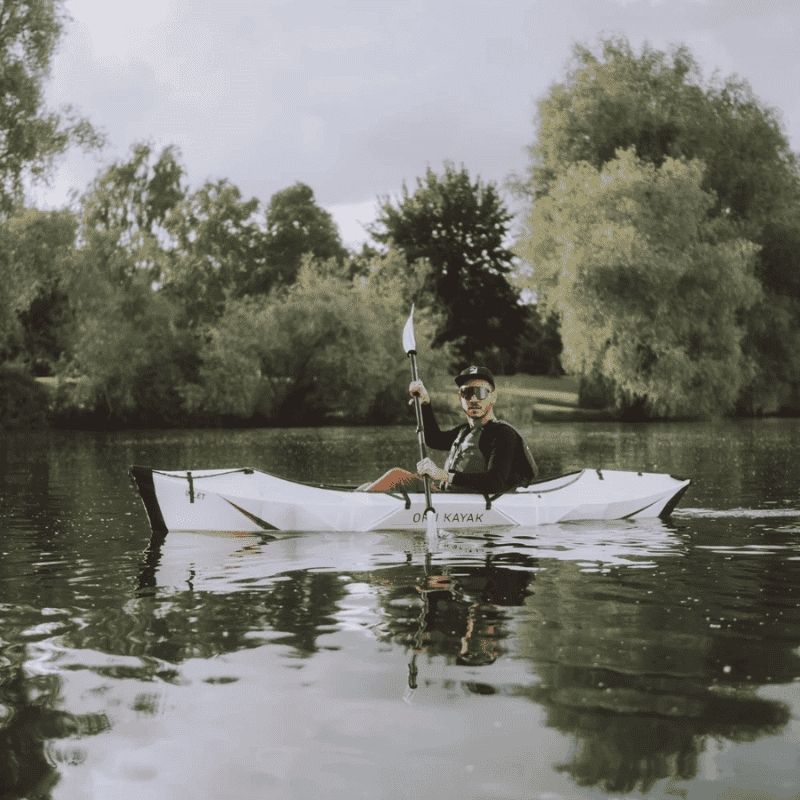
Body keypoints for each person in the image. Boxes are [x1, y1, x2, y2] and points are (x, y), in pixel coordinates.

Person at [411, 365, 538, 495]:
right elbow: (434, 440)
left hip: (478, 507)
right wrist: (425, 403)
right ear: (460, 398)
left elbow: (494, 483)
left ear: (493, 397)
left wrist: (443, 475)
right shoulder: (465, 431)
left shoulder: (503, 434)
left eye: (481, 392)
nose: (473, 399)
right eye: (467, 393)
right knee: (399, 477)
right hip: (452, 500)